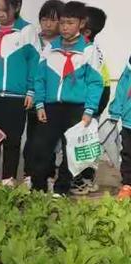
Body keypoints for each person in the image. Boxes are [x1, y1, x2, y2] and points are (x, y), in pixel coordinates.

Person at [31, 1, 104, 197]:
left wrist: (89, 110)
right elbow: (39, 78)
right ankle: (37, 188)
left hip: (77, 108)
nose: (64, 27)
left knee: (69, 151)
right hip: (51, 106)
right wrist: (39, 104)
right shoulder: (50, 48)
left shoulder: (89, 50)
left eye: (70, 23)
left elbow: (95, 83)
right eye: (62, 23)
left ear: (81, 24)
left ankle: (61, 189)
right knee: (41, 147)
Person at [0, 0, 40, 191]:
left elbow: (34, 63)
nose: (0, 14)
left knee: (12, 139)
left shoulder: (27, 31)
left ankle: (8, 179)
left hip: (16, 96)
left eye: (5, 10)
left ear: (17, 7)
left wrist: (31, 90)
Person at [22, 0, 64, 188]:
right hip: (32, 98)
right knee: (32, 139)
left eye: (53, 20)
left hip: (52, 100)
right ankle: (29, 173)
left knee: (50, 141)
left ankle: (48, 173)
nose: (47, 24)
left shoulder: (63, 44)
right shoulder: (33, 40)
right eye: (44, 19)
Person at [70, 6, 110, 196]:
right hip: (95, 91)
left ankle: (86, 179)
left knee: (85, 138)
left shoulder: (87, 47)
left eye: (76, 21)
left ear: (85, 30)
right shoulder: (83, 43)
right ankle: (82, 177)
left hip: (97, 92)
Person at [108, 57, 131, 200]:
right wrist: (116, 111)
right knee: (128, 154)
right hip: (129, 120)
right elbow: (123, 86)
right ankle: (128, 185)